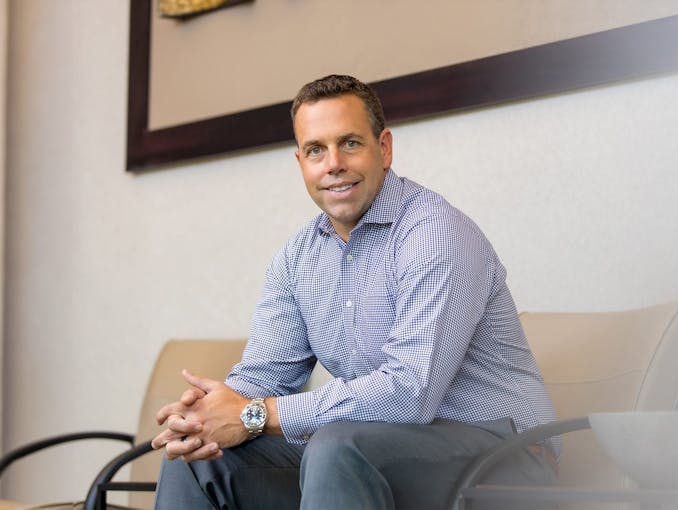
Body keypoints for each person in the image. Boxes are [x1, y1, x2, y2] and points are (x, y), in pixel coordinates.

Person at [150, 74, 558, 509]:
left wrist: (254, 415)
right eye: (315, 150)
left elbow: (408, 394)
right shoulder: (296, 259)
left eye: (349, 143)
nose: (333, 165)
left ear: (383, 148)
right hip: (374, 451)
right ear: (300, 163)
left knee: (337, 446)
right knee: (197, 459)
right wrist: (206, 416)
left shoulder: (435, 236)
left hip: (506, 457)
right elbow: (264, 375)